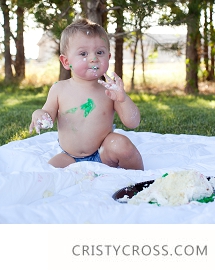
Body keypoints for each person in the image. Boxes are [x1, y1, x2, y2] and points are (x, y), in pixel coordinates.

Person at [29, 18, 143, 170]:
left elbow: (132, 122)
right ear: (66, 61)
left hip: (104, 154)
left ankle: (139, 179)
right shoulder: (59, 89)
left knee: (122, 145)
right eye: (83, 53)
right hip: (70, 158)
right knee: (47, 173)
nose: (93, 58)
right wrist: (39, 114)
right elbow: (47, 115)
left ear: (108, 58)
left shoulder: (109, 91)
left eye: (100, 52)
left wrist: (123, 99)